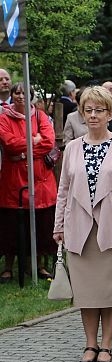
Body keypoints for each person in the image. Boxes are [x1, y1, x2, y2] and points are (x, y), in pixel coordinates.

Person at [53, 86, 112, 362]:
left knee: (111, 289)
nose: (93, 115)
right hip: (79, 228)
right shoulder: (73, 149)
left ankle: (107, 344)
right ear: (82, 113)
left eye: (99, 110)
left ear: (109, 113)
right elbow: (63, 190)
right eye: (88, 110)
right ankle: (90, 343)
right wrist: (59, 226)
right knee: (88, 292)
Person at [0, 83, 57, 283]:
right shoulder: (4, 118)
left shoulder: (41, 117)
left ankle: (39, 265)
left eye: (25, 92)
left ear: (31, 96)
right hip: (13, 180)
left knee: (41, 224)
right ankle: (8, 267)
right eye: (17, 92)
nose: (21, 96)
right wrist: (33, 141)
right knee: (12, 225)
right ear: (12, 96)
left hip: (40, 180)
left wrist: (22, 152)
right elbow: (8, 143)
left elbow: (49, 142)